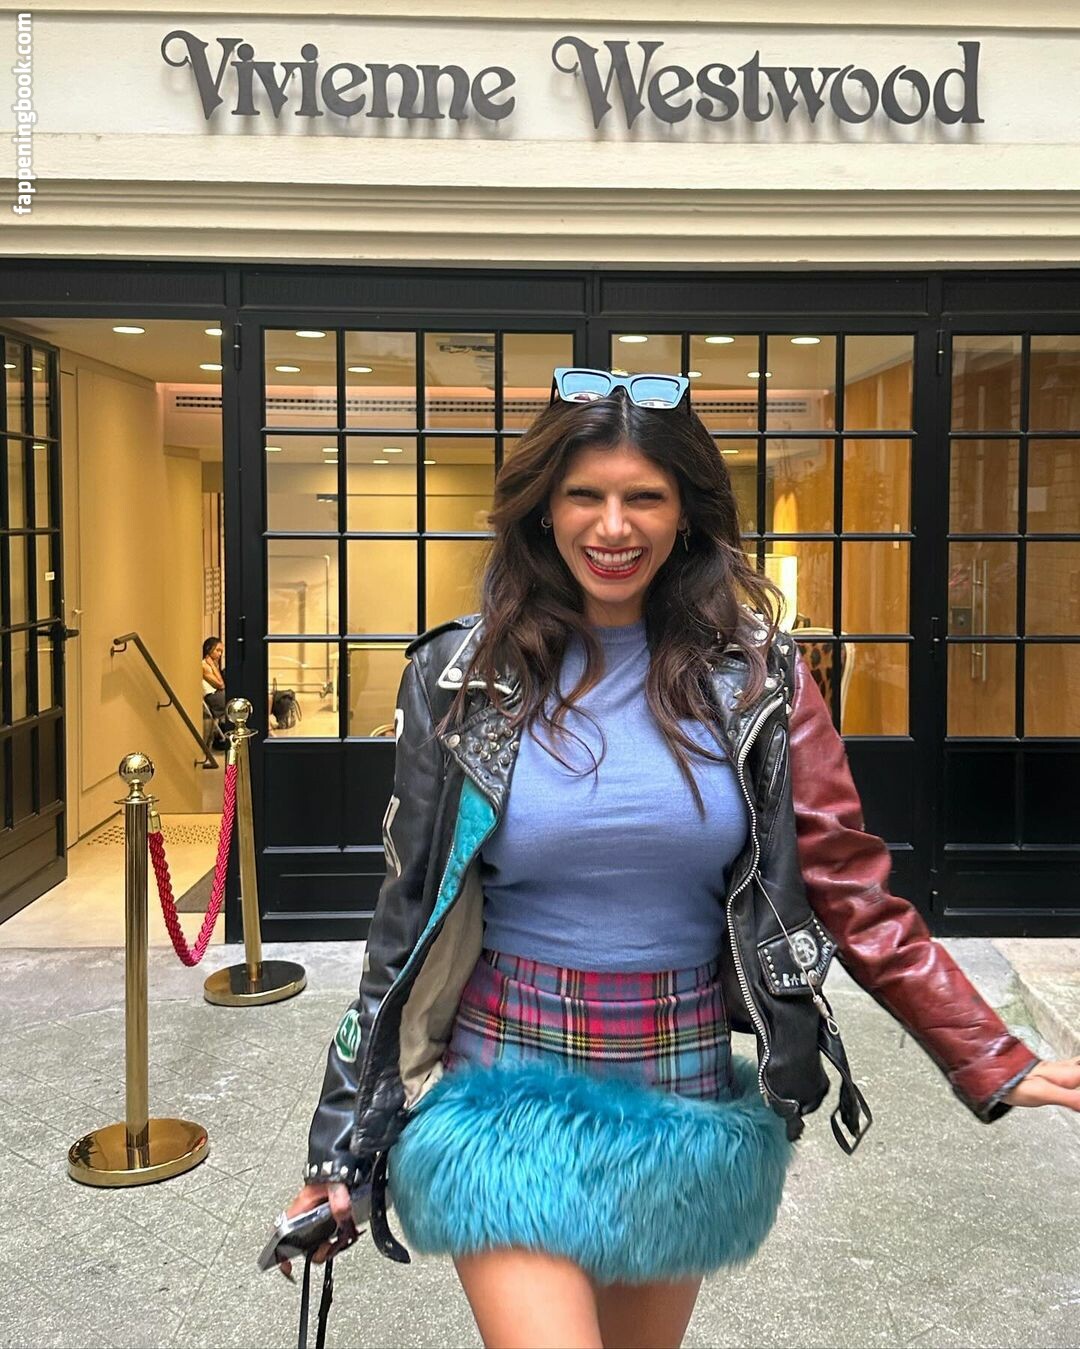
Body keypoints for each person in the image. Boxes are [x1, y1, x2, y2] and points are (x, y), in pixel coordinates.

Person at [284, 368, 1080, 1349]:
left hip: (682, 1093)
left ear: (687, 512)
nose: (613, 526)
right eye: (585, 494)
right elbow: (404, 919)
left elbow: (850, 886)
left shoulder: (758, 679)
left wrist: (988, 1050)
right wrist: (340, 1145)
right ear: (543, 507)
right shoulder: (462, 677)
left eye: (645, 497)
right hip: (502, 1087)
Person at [201, 636, 227, 748]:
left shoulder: (212, 665)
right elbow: (221, 684)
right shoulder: (204, 665)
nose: (220, 654)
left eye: (221, 651)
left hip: (218, 694)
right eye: (217, 650)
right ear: (209, 649)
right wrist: (212, 665)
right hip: (213, 696)